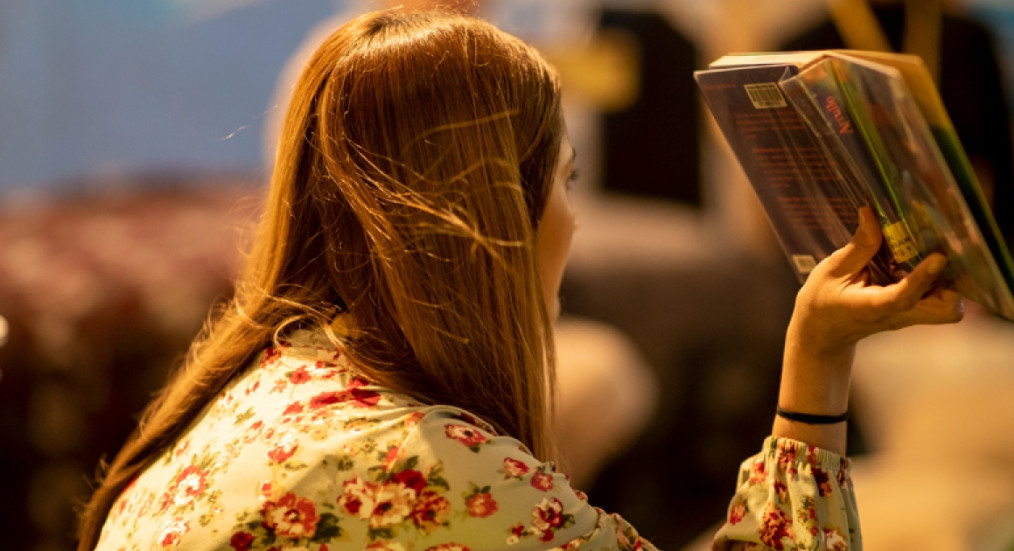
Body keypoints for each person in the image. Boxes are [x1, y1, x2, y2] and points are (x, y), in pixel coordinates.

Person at [75, 9, 963, 550]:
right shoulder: (428, 471)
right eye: (565, 182)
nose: (574, 217)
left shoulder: (267, 378)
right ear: (490, 214)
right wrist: (814, 358)